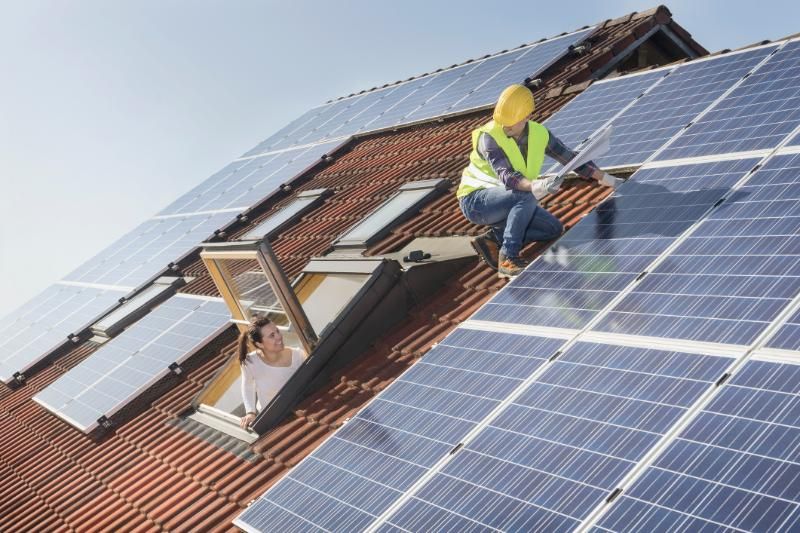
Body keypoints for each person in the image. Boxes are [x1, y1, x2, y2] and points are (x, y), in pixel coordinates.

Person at [458, 84, 623, 278]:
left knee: (553, 229)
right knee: (527, 195)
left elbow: (571, 159)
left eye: (512, 122)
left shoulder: (539, 134)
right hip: (476, 201)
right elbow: (507, 176)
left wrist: (607, 179)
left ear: (527, 116)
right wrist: (535, 185)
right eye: (503, 121)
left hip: (509, 199)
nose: (506, 126)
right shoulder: (489, 137)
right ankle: (507, 257)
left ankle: (494, 238)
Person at [238, 315, 307, 429]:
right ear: (260, 344)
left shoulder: (299, 356)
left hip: (300, 411)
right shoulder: (250, 363)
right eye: (272, 335)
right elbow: (247, 386)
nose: (279, 337)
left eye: (277, 331)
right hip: (272, 420)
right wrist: (250, 412)